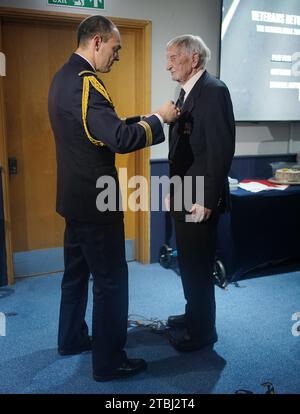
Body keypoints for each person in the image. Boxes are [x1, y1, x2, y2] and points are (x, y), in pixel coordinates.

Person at [48, 15, 178, 382]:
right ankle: (108, 362)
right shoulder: (87, 85)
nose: (117, 57)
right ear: (97, 42)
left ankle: (71, 339)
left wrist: (142, 118)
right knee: (110, 281)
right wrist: (159, 119)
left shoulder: (63, 79)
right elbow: (119, 139)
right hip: (96, 204)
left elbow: (102, 128)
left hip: (74, 201)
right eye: (116, 48)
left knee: (75, 276)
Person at [165, 35, 235, 352]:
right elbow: (183, 151)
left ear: (194, 59)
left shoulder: (214, 91)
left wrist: (207, 199)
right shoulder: (186, 93)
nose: (167, 65)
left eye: (173, 57)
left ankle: (204, 332)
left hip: (199, 197)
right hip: (184, 192)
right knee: (189, 264)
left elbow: (221, 151)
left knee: (197, 266)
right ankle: (194, 315)